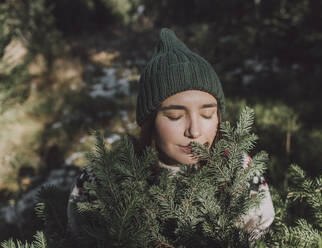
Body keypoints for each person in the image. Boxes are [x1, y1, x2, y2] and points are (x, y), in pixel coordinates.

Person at [67, 28, 275, 241]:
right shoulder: (102, 178)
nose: (194, 131)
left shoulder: (239, 171)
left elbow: (259, 235)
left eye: (207, 114)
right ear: (150, 121)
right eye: (175, 116)